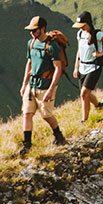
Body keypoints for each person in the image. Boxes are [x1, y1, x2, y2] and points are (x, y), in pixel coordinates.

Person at [19, 17, 67, 154]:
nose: (32, 33)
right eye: (31, 31)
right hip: (31, 85)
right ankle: (27, 145)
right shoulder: (31, 43)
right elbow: (29, 64)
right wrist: (24, 84)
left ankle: (59, 136)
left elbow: (57, 68)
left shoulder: (52, 46)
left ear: (42, 29)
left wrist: (51, 90)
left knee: (46, 115)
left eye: (34, 30)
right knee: (27, 114)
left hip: (45, 86)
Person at [72, 12, 103, 120]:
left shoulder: (98, 34)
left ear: (88, 23)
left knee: (84, 94)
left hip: (94, 67)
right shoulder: (80, 34)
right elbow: (79, 51)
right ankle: (99, 106)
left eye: (83, 26)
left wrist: (101, 54)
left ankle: (85, 120)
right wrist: (76, 67)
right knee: (86, 93)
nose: (81, 28)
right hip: (82, 67)